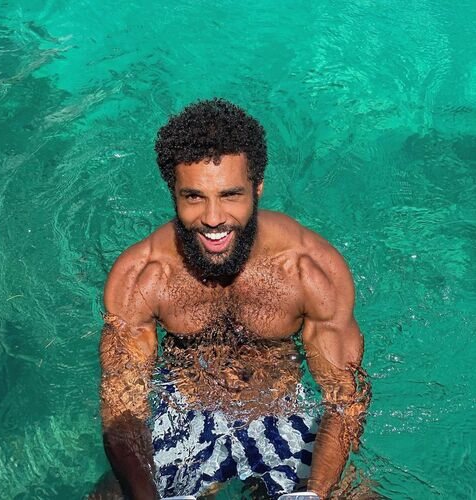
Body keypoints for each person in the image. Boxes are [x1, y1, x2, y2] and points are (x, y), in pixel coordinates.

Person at [99, 98, 371, 500]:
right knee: (109, 496)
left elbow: (345, 398)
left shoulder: (308, 271)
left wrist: (313, 494)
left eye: (230, 195)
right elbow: (123, 408)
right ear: (173, 192)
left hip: (279, 411)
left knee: (355, 495)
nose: (213, 218)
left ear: (257, 189)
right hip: (183, 412)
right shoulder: (143, 276)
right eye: (194, 197)